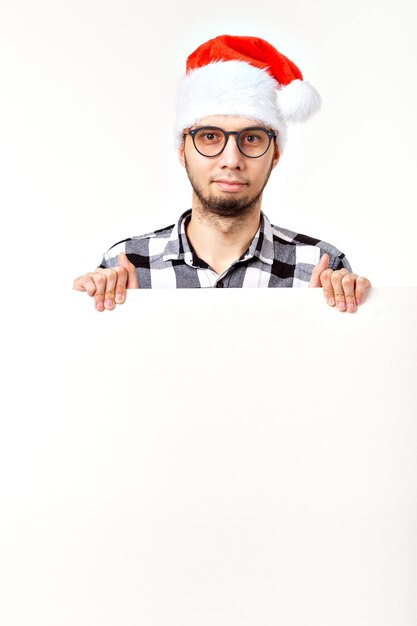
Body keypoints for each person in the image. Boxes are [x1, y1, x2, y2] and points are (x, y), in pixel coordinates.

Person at [73, 34, 371, 312]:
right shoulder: (127, 265)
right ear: (182, 151)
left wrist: (336, 319)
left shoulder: (320, 267)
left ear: (275, 154)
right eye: (210, 137)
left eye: (252, 138)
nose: (231, 160)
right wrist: (100, 319)